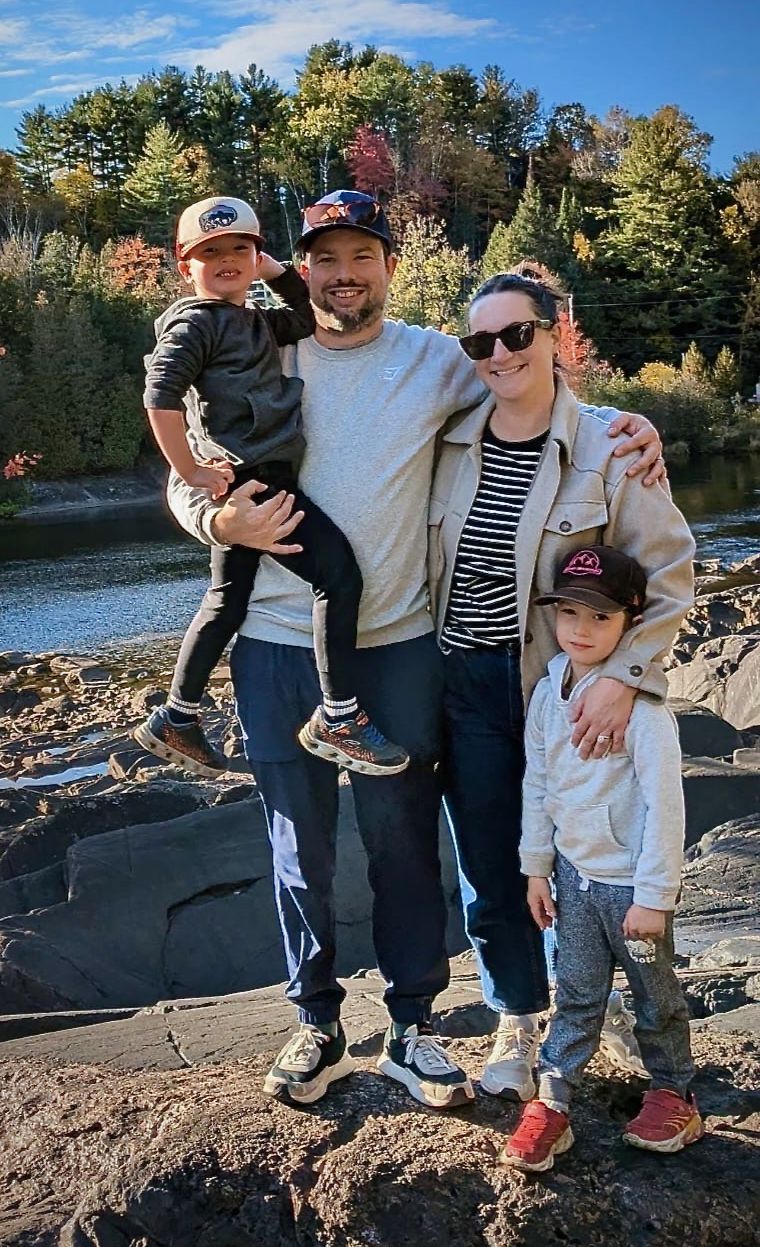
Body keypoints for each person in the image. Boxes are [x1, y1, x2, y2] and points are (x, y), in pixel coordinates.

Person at [168, 194, 664, 1111]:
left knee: (402, 842)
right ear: (301, 267)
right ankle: (314, 1022)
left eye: (363, 255)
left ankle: (412, 1026)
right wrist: (213, 514)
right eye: (327, 257)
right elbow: (182, 471)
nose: (344, 273)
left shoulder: (437, 359)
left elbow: (534, 385)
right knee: (298, 844)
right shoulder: (252, 346)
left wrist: (630, 425)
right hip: (275, 647)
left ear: (388, 267)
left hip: (396, 647)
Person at [429, 271, 696, 1107]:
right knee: (491, 857)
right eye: (482, 342)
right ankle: (516, 1014)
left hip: (561, 688)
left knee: (587, 854)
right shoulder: (445, 436)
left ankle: (592, 1013)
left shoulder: (612, 447)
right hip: (463, 683)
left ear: (553, 334)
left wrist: (621, 678)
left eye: (517, 334)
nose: (500, 353)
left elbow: (672, 573)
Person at [136, 195, 408, 778]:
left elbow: (307, 318)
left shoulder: (254, 320)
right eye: (211, 253)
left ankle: (177, 717)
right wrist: (192, 474)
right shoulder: (195, 323)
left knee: (225, 599)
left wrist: (278, 271)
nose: (229, 259)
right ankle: (339, 717)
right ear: (186, 267)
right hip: (254, 478)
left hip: (253, 475)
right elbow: (158, 398)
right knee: (338, 577)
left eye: (242, 248)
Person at [499, 545, 703, 1172]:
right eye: (567, 612)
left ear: (631, 620)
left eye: (600, 618)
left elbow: (667, 807)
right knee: (577, 993)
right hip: (573, 881)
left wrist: (654, 897)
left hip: (631, 890)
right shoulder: (546, 692)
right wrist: (536, 865)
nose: (580, 630)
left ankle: (674, 1093)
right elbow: (538, 781)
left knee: (655, 995)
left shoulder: (643, 712)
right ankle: (554, 1099)